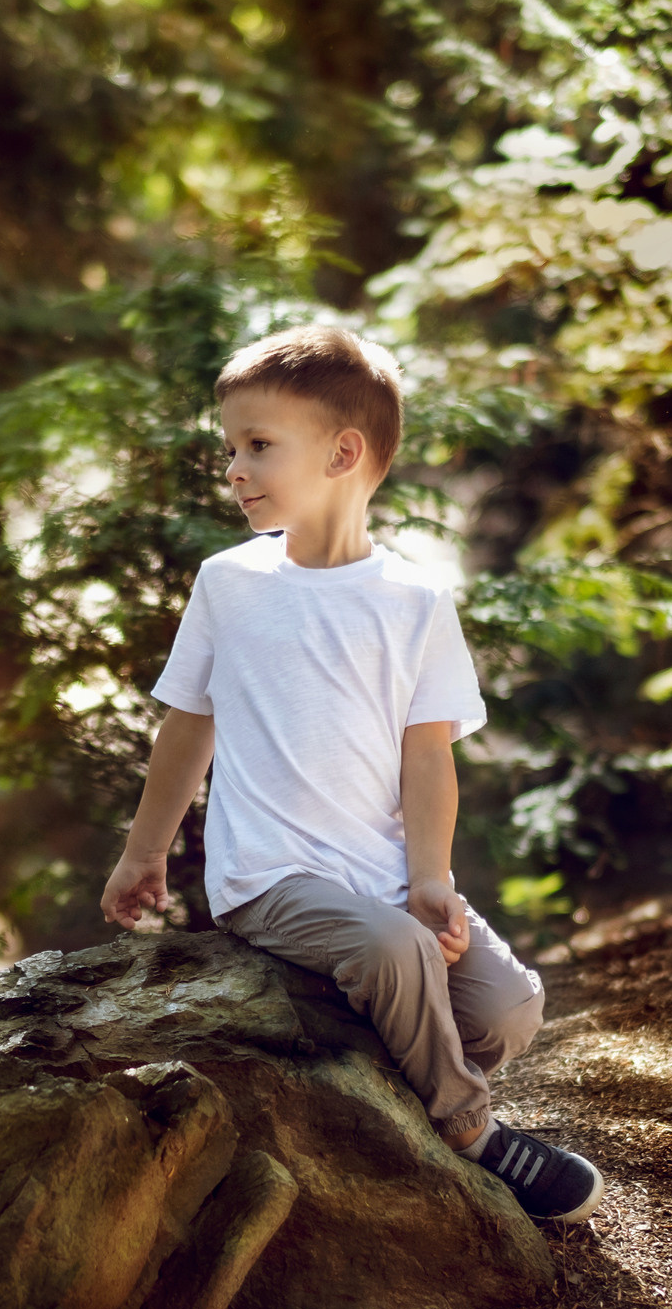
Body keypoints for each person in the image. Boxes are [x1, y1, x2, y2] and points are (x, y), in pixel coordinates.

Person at [99, 323, 604, 1222]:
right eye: (231, 449)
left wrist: (431, 880)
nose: (235, 469)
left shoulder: (413, 600)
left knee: (508, 1006)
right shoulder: (228, 583)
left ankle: (387, 1068)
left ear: (342, 452)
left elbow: (427, 754)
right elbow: (188, 725)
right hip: (270, 878)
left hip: (377, 877)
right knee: (394, 949)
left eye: (259, 446)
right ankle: (468, 1131)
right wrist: (144, 854)